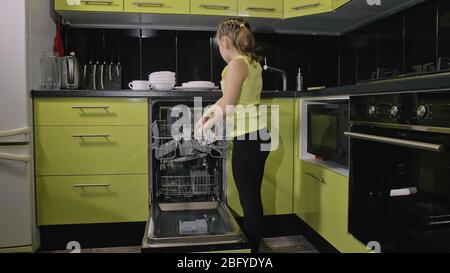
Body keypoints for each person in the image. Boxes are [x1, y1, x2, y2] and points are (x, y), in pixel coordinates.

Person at [195, 18, 271, 253]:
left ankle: (252, 251)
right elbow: (229, 99)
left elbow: (228, 103)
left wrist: (207, 127)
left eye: (219, 45)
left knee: (249, 200)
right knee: (252, 196)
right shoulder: (252, 61)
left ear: (225, 42)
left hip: (248, 138)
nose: (219, 50)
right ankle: (253, 246)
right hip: (256, 135)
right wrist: (206, 116)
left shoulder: (237, 64)